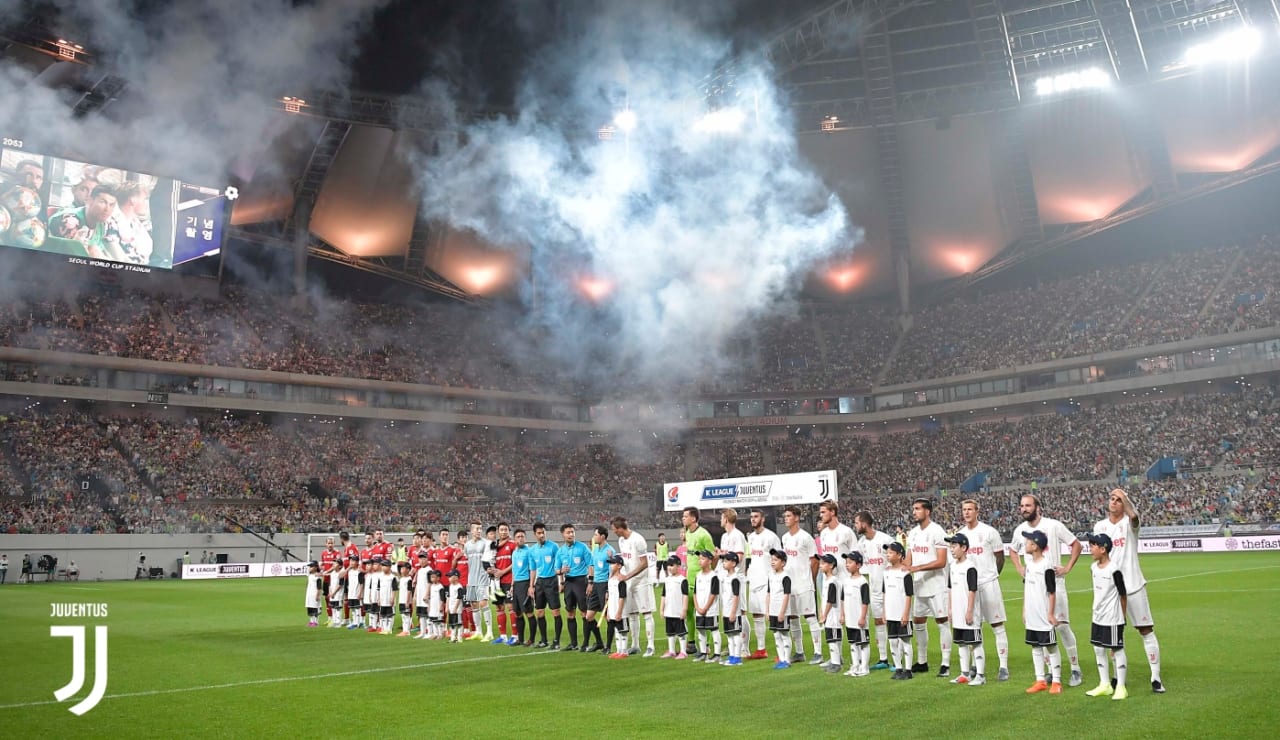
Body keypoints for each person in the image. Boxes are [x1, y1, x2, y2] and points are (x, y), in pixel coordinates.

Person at [1094, 487, 1164, 693]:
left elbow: (1134, 516)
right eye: (1112, 499)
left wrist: (1126, 499)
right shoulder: (1100, 526)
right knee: (1114, 633)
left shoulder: (1129, 524)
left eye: (1119, 500)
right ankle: (1116, 677)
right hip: (1111, 590)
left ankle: (1156, 677)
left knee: (1145, 630)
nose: (1114, 502)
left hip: (1133, 585)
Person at [1010, 493, 1084, 686]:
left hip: (1054, 585)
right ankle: (1050, 671)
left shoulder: (1053, 525)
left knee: (1062, 626)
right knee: (1037, 627)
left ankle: (1075, 669)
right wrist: (1019, 568)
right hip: (1032, 586)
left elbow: (1076, 544)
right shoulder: (1020, 530)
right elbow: (1012, 550)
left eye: (1028, 505)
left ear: (1037, 507)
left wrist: (1067, 568)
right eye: (1022, 506)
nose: (1024, 509)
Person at [958, 499, 1008, 681]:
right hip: (970, 588)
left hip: (988, 583)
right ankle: (974, 665)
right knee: (973, 626)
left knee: (997, 624)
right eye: (964, 509)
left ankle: (1003, 666)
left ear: (977, 511)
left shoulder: (989, 532)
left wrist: (992, 576)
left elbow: (1000, 558)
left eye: (970, 509)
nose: (967, 512)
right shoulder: (960, 535)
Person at [905, 498, 950, 677]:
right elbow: (909, 560)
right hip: (919, 585)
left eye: (917, 509)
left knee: (942, 622)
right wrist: (898, 566)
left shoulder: (937, 531)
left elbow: (941, 561)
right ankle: (922, 661)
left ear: (927, 511)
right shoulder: (913, 533)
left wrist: (917, 568)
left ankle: (945, 663)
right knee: (919, 622)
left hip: (936, 585)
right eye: (913, 509)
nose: (914, 512)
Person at [1082, 532, 1129, 700]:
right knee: (1098, 648)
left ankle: (1121, 687)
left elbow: (1123, 594)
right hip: (1098, 616)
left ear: (1103, 549)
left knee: (1116, 649)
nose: (1090, 548)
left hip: (1113, 617)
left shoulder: (1114, 569)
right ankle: (1104, 684)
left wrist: (1122, 618)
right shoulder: (1093, 567)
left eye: (1093, 545)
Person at [1021, 531, 1063, 694]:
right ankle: (1040, 680)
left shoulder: (1047, 565)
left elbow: (1052, 592)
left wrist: (1051, 614)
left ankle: (1057, 681)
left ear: (1035, 545)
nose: (1025, 544)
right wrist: (1025, 609)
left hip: (1043, 613)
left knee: (1051, 647)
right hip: (1032, 614)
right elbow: (1026, 589)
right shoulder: (1030, 565)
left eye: (1028, 541)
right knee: (1035, 647)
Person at [780, 505, 822, 665]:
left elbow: (815, 561)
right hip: (790, 585)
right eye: (785, 516)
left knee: (811, 617)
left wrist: (809, 580)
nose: (786, 518)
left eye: (789, 516)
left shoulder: (806, 538)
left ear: (797, 517)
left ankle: (818, 652)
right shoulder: (784, 538)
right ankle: (799, 652)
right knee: (793, 618)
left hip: (804, 584)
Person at [855, 510, 895, 669]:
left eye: (857, 523)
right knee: (878, 622)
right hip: (873, 589)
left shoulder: (885, 539)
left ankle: (896, 659)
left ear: (864, 524)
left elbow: (896, 559)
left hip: (888, 590)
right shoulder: (861, 543)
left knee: (891, 622)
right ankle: (883, 659)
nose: (856, 526)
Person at [944, 533, 985, 686]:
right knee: (961, 643)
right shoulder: (952, 566)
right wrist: (949, 609)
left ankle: (980, 675)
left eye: (954, 546)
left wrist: (969, 611)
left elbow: (972, 590)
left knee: (975, 643)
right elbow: (950, 588)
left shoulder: (970, 567)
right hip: (956, 611)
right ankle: (964, 673)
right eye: (950, 546)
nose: (952, 549)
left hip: (968, 612)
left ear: (964, 548)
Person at [611, 516, 655, 657]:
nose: (614, 532)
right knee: (632, 614)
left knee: (646, 613)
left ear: (620, 528)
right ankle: (635, 645)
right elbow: (626, 560)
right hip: (629, 581)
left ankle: (650, 646)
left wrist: (628, 576)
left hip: (641, 581)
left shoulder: (638, 539)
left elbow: (644, 563)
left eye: (614, 529)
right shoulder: (621, 540)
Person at [49, 184, 125, 262]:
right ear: (89, 200)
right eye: (102, 202)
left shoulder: (103, 223)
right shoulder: (70, 222)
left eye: (112, 205)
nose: (107, 209)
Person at [746, 509, 782, 659]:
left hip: (767, 581)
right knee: (757, 615)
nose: (753, 519)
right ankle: (761, 649)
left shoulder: (771, 537)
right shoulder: (751, 537)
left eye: (756, 517)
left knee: (773, 615)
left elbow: (780, 558)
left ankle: (782, 652)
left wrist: (776, 578)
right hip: (754, 580)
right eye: (751, 517)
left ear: (763, 519)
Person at [681, 507, 715, 655]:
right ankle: (691, 642)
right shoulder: (688, 533)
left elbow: (712, 556)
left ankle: (706, 644)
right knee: (688, 611)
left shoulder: (704, 535)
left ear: (694, 518)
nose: (683, 518)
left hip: (701, 580)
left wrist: (708, 575)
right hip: (689, 578)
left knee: (703, 612)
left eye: (686, 516)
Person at [556, 523, 592, 651]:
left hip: (581, 581)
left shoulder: (582, 547)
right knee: (570, 612)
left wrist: (590, 582)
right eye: (568, 532)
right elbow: (556, 569)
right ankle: (573, 643)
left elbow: (591, 565)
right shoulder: (561, 551)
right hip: (568, 583)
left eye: (572, 532)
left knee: (584, 613)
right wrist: (561, 571)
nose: (571, 534)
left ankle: (586, 643)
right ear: (563, 534)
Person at [717, 508, 748, 658]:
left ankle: (744, 647)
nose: (720, 520)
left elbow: (739, 557)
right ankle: (733, 646)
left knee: (740, 612)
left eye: (722, 517)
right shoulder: (724, 536)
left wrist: (723, 555)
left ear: (726, 519)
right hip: (726, 577)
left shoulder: (738, 535)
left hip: (737, 576)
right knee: (728, 609)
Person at [883, 542, 915, 680]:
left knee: (905, 641)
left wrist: (906, 613)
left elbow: (909, 595)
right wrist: (884, 611)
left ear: (900, 555)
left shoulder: (905, 573)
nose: (887, 555)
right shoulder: (886, 572)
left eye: (890, 553)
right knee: (893, 642)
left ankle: (908, 670)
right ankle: (898, 668)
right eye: (887, 553)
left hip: (902, 613)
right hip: (890, 614)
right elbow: (884, 592)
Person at [528, 522, 562, 649]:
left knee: (555, 611)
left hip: (552, 581)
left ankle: (557, 641)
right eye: (539, 533)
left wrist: (561, 581)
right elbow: (533, 569)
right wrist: (531, 586)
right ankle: (544, 640)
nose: (541, 535)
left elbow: (558, 565)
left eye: (543, 532)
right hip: (540, 583)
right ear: (535, 534)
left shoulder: (554, 547)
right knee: (540, 612)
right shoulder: (532, 550)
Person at [582, 525, 613, 653]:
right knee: (589, 616)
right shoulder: (594, 550)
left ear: (602, 536)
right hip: (595, 585)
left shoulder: (610, 551)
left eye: (596, 535)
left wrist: (608, 590)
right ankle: (599, 642)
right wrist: (590, 582)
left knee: (608, 617)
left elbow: (612, 571)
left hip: (605, 585)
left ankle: (609, 646)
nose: (594, 537)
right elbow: (592, 567)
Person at [840, 552, 872, 677]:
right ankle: (855, 665)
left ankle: (864, 667)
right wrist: (842, 615)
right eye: (846, 562)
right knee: (853, 643)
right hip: (849, 619)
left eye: (850, 562)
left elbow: (865, 601)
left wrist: (863, 617)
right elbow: (843, 599)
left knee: (863, 643)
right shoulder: (846, 581)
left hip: (859, 618)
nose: (847, 565)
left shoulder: (862, 581)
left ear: (858, 565)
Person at [464, 522, 494, 642]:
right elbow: (469, 562)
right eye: (476, 528)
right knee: (474, 604)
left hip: (483, 578)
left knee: (483, 603)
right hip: (471, 579)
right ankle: (478, 631)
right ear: (471, 530)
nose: (479, 530)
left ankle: (490, 631)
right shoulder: (467, 545)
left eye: (480, 528)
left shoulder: (486, 543)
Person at [489, 522, 518, 645]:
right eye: (501, 530)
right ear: (498, 531)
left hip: (508, 580)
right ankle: (502, 636)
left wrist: (503, 572)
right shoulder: (493, 547)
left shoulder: (512, 544)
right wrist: (491, 570)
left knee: (511, 607)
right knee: (498, 607)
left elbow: (516, 562)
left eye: (506, 529)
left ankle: (515, 636)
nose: (504, 532)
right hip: (495, 582)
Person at [692, 550, 721, 662]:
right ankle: (703, 652)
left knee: (714, 630)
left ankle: (717, 654)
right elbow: (695, 593)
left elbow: (713, 594)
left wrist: (705, 608)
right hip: (699, 609)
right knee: (700, 630)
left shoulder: (714, 576)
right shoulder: (698, 575)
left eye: (703, 559)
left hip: (711, 610)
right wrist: (698, 607)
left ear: (709, 561)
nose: (700, 561)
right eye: (699, 559)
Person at [767, 548, 794, 670]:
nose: (773, 562)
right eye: (772, 559)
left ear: (783, 563)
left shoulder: (785, 577)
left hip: (781, 611)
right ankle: (781, 659)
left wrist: (782, 612)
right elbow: (768, 594)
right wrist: (767, 611)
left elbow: (786, 595)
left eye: (776, 560)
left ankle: (787, 660)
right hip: (772, 610)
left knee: (784, 634)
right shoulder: (771, 576)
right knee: (776, 635)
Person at [817, 554, 844, 674]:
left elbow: (830, 600)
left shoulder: (833, 581)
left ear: (831, 565)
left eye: (823, 563)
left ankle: (836, 663)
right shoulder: (826, 580)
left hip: (833, 615)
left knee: (832, 639)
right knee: (833, 638)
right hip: (829, 614)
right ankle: (836, 659)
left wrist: (824, 615)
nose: (820, 565)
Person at [659, 555, 689, 659]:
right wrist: (661, 609)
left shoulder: (682, 580)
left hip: (678, 611)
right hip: (669, 611)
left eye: (672, 565)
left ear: (678, 566)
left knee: (681, 632)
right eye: (668, 565)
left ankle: (683, 651)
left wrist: (684, 610)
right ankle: (671, 651)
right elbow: (663, 595)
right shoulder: (667, 580)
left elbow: (685, 596)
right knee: (670, 632)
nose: (670, 568)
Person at [509, 529, 535, 646]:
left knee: (528, 612)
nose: (520, 538)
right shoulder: (514, 553)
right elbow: (514, 570)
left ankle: (531, 639)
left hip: (525, 584)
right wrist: (512, 585)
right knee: (518, 613)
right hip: (516, 585)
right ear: (514, 539)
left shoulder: (529, 551)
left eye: (522, 536)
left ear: (525, 538)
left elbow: (532, 569)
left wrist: (531, 586)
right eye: (518, 536)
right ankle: (520, 639)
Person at [719, 551, 745, 666]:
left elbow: (736, 596)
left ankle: (737, 657)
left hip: (733, 611)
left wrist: (733, 612)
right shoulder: (726, 577)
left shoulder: (735, 578)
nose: (723, 563)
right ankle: (732, 656)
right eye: (723, 561)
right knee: (729, 635)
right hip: (726, 610)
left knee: (735, 634)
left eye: (726, 561)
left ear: (733, 563)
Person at [605, 555, 631, 659]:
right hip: (612, 609)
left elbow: (622, 597)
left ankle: (624, 651)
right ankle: (618, 650)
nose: (611, 565)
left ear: (619, 566)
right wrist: (608, 612)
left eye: (613, 563)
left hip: (621, 611)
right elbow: (609, 597)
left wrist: (619, 611)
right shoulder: (610, 580)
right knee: (616, 630)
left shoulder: (621, 581)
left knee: (622, 630)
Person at [446, 569, 466, 642]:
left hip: (457, 609)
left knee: (459, 623)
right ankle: (453, 637)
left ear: (456, 577)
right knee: (452, 623)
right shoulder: (450, 586)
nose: (449, 578)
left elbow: (459, 598)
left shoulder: (459, 587)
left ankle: (459, 637)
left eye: (450, 576)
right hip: (451, 608)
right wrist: (447, 607)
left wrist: (455, 608)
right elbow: (448, 597)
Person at [344, 556, 363, 630]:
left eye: (353, 561)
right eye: (350, 561)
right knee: (352, 609)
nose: (351, 562)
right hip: (350, 593)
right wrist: (348, 568)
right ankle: (355, 622)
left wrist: (360, 593)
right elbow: (342, 575)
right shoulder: (349, 571)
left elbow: (361, 583)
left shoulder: (359, 572)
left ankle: (357, 623)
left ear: (357, 562)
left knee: (357, 608)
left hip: (356, 593)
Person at [304, 561, 323, 627]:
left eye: (311, 567)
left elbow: (319, 587)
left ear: (315, 567)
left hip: (314, 594)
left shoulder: (317, 577)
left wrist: (317, 595)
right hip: (309, 594)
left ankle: (316, 621)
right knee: (310, 607)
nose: (310, 568)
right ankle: (311, 621)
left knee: (315, 607)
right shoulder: (310, 576)